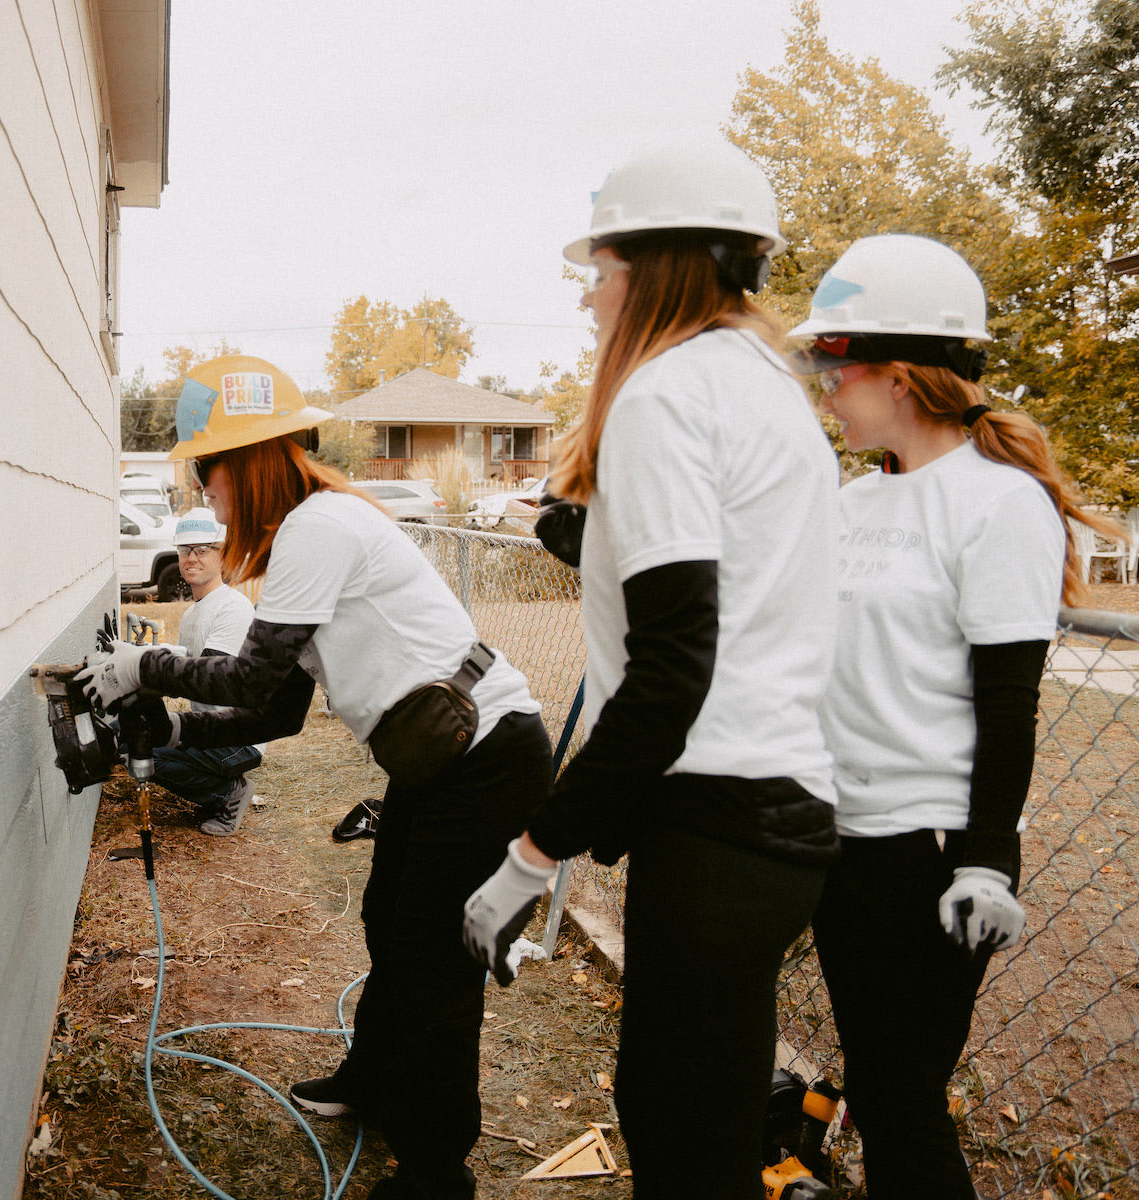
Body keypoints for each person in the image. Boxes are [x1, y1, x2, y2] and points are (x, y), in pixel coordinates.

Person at [460, 139, 843, 1200]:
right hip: (779, 819)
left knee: (679, 1135)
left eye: (602, 270)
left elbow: (674, 668)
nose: (589, 299)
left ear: (659, 267)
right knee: (707, 1123)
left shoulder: (666, 395)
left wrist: (536, 851)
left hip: (718, 825)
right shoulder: (766, 388)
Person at [79, 354, 553, 1200]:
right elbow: (281, 708)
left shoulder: (317, 530)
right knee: (387, 919)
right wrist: (177, 719)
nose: (204, 490)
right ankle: (373, 1078)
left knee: (433, 967)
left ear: (250, 460)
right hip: (440, 757)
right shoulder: (311, 533)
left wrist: (148, 669)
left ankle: (438, 1170)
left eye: (206, 469)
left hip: (481, 758)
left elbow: (254, 681)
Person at [787, 234, 1124, 1199]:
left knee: (900, 1105)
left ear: (897, 375)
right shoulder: (858, 502)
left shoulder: (998, 504)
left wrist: (988, 858)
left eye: (830, 367)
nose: (822, 390)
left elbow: (1008, 699)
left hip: (929, 858)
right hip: (841, 839)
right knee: (886, 1088)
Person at [147, 507, 265, 836]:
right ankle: (221, 780)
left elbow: (210, 676)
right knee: (137, 736)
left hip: (239, 736)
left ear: (222, 555)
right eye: (185, 550)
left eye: (202, 550)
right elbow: (182, 670)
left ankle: (229, 794)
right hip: (214, 728)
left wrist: (147, 672)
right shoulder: (192, 614)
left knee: (146, 750)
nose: (191, 558)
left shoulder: (232, 607)